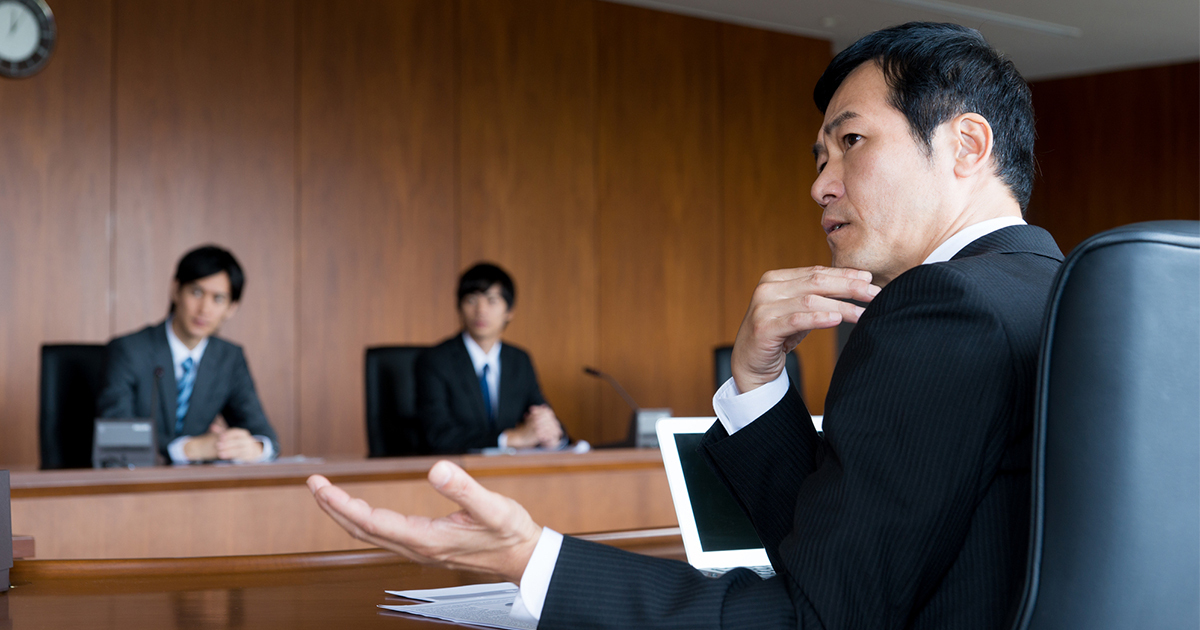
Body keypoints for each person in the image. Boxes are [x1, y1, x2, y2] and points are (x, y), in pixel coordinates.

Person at [307, 22, 1064, 629]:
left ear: (967, 145)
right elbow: (838, 570)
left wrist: (530, 559)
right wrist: (758, 383)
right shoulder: (1052, 292)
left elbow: (812, 619)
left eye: (851, 142)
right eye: (819, 156)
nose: (820, 185)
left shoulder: (941, 308)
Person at [97, 245, 278, 464]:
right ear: (176, 290)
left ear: (232, 308)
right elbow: (117, 440)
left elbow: (265, 436)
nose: (204, 309)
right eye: (196, 292)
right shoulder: (128, 350)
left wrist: (253, 447)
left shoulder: (229, 358)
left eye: (218, 299)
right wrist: (188, 449)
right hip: (137, 481)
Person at [415, 262, 565, 454]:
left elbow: (541, 410)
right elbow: (438, 435)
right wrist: (510, 438)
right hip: (456, 467)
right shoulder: (435, 361)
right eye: (471, 300)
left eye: (492, 301)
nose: (481, 310)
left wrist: (551, 434)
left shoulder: (519, 361)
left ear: (509, 311)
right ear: (459, 307)